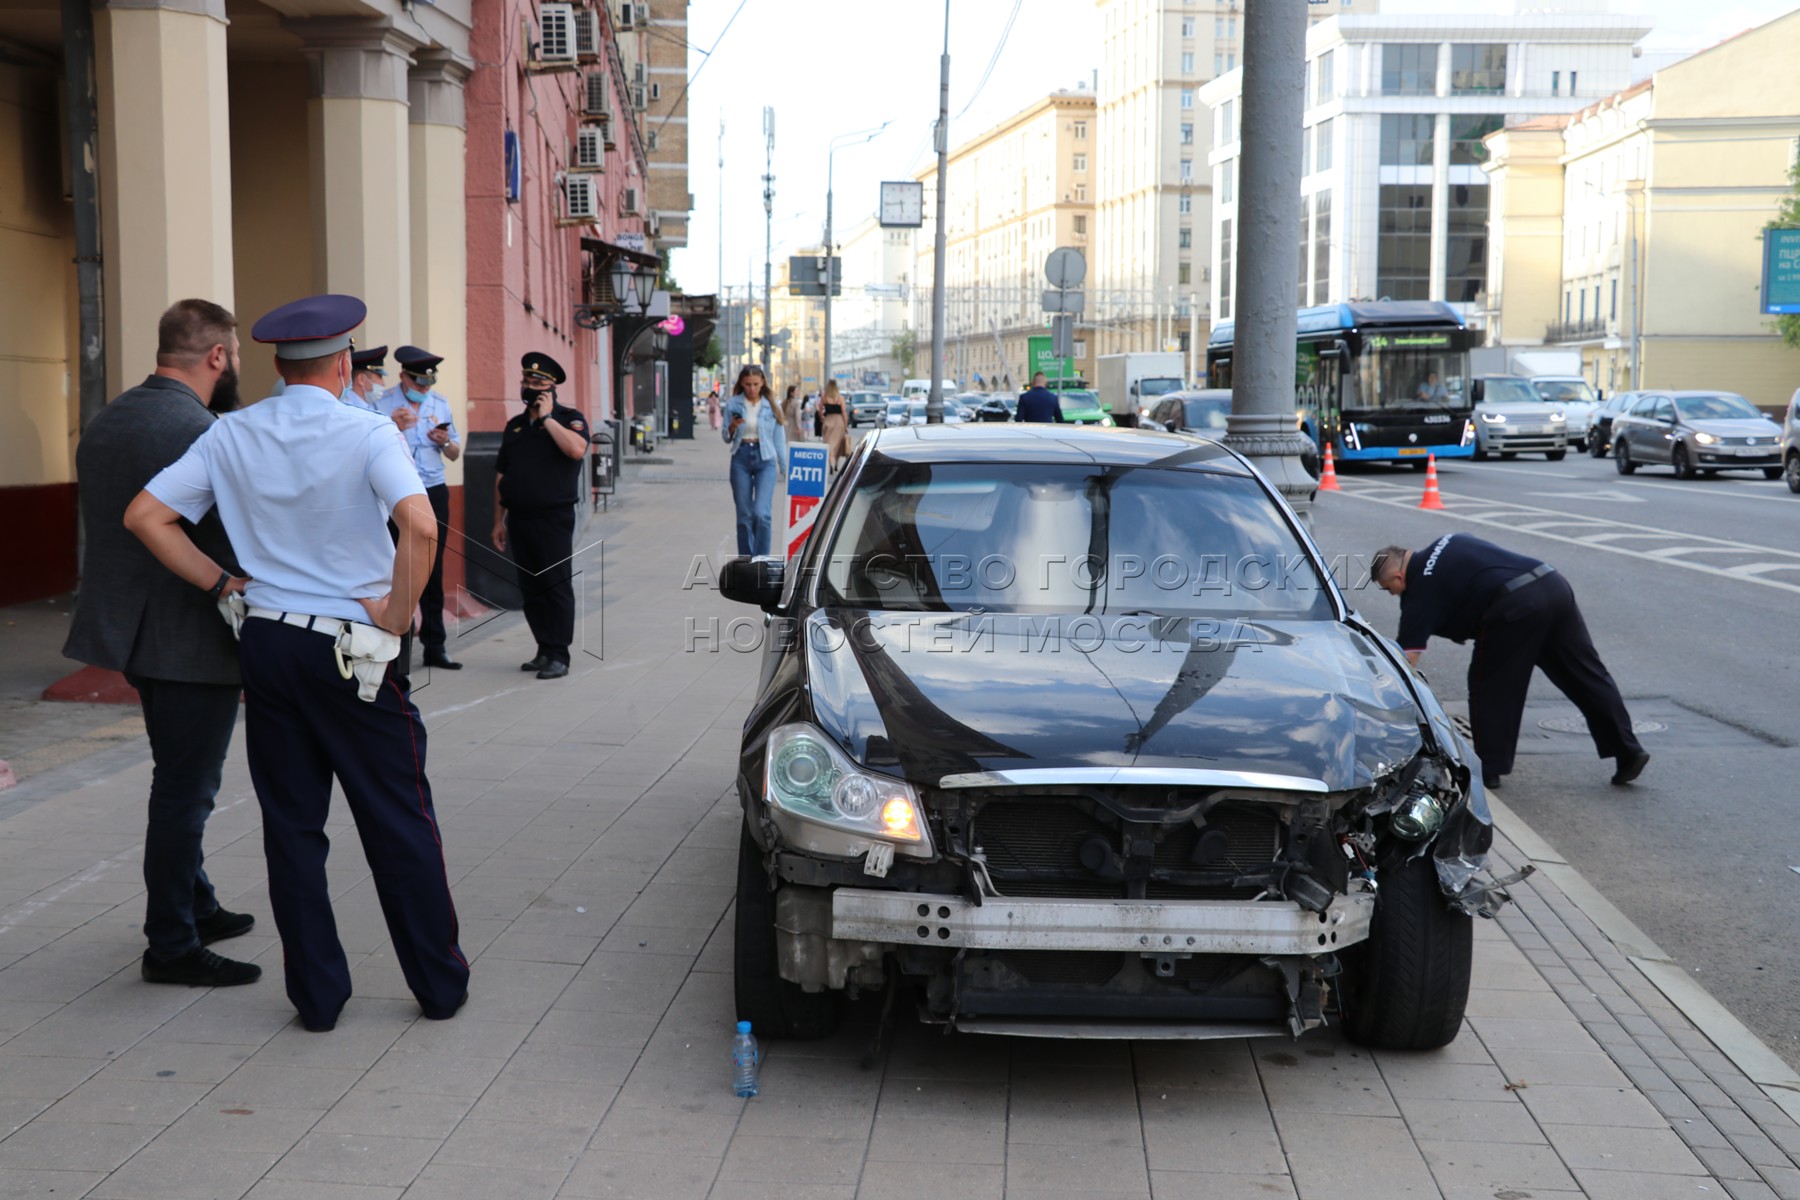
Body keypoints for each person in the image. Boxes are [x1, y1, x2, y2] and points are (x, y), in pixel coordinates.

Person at [125, 293, 469, 1032]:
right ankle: (438, 986)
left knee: (291, 825)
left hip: (269, 639)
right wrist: (394, 609)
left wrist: (220, 581)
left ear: (279, 365)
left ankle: (317, 998)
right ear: (345, 363)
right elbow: (420, 524)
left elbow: (145, 516)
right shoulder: (367, 430)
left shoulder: (229, 433)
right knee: (398, 817)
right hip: (352, 646)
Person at [63, 299, 262, 990]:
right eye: (234, 355)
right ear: (216, 357)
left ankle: (197, 905)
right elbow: (228, 539)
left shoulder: (110, 417)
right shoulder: (202, 430)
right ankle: (172, 943)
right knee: (185, 790)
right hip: (190, 638)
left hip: (132, 631)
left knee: (177, 776)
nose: (236, 366)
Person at [1371, 534, 1649, 791]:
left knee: (1491, 688)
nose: (1393, 595)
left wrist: (1381, 702)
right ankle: (1628, 748)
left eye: (1388, 589)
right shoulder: (1448, 541)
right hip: (1552, 585)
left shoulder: (1419, 590)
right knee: (1587, 677)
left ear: (1398, 575)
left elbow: (1407, 659)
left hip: (1515, 608)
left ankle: (1489, 768)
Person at [492, 353, 588, 680]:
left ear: (552, 387)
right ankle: (543, 649)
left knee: (555, 585)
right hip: (519, 518)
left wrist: (548, 420)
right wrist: (497, 520)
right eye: (526, 381)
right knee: (531, 588)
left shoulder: (569, 419)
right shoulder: (515, 426)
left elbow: (577, 450)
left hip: (553, 519)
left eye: (538, 382)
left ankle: (560, 654)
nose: (530, 386)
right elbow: (502, 476)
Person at [388, 345, 463, 670]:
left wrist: (443, 442)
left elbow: (455, 452)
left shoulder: (439, 403)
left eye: (429, 384)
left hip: (432, 492)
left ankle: (436, 646)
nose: (425, 390)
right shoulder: (383, 405)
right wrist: (394, 427)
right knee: (394, 566)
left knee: (432, 568)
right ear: (403, 376)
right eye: (419, 384)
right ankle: (397, 643)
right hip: (396, 494)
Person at [722, 364, 788, 556]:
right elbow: (725, 437)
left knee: (762, 513)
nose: (752, 388)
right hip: (740, 457)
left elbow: (779, 440)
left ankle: (761, 559)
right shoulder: (733, 404)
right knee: (744, 515)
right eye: (748, 384)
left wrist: (785, 469)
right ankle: (746, 559)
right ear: (742, 383)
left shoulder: (772, 406)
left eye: (756, 384)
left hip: (765, 459)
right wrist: (732, 428)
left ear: (762, 383)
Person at [342, 345, 389, 413]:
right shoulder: (348, 408)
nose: (383, 383)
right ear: (361, 379)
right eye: (380, 377)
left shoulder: (367, 406)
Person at [819, 379, 851, 472]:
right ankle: (836, 463)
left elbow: (820, 410)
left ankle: (831, 461)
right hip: (839, 422)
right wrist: (845, 425)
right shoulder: (840, 398)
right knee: (838, 444)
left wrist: (822, 417)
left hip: (828, 421)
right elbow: (844, 413)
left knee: (828, 443)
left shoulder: (824, 397)